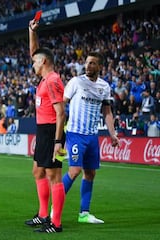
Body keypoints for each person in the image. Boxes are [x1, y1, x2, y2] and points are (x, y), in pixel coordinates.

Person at [62, 51, 120, 224]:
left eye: (93, 63)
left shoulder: (104, 86)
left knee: (90, 173)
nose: (88, 66)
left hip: (92, 136)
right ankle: (53, 210)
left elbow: (107, 111)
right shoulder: (76, 82)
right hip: (75, 134)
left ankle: (84, 214)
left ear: (99, 66)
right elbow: (62, 103)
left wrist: (112, 133)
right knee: (74, 171)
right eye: (87, 63)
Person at [24, 18, 66, 233]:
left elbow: (61, 113)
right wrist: (32, 32)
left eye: (35, 62)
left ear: (43, 62)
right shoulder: (44, 78)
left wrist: (58, 142)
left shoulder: (52, 80)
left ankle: (55, 223)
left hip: (53, 132)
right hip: (43, 131)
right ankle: (42, 215)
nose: (32, 64)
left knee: (53, 176)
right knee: (38, 172)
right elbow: (35, 52)